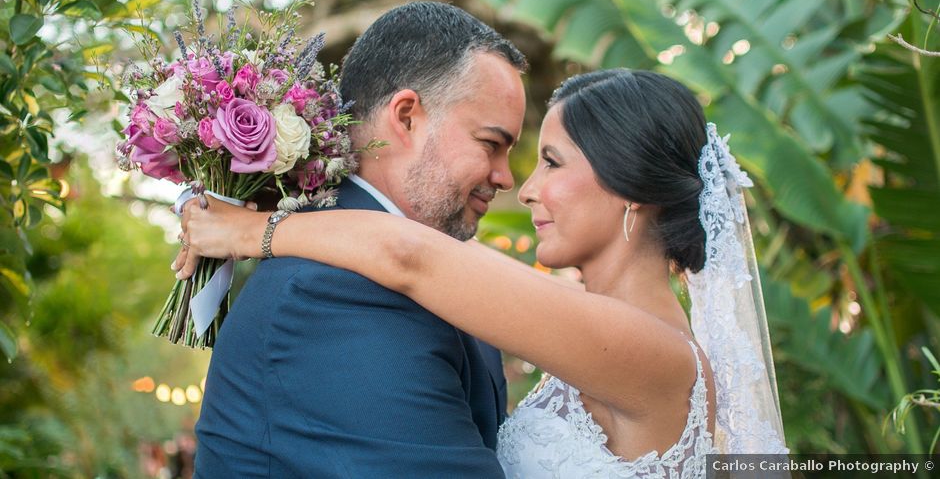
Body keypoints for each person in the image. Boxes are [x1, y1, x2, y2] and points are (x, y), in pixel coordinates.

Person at [178, 69, 789, 477]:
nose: (525, 189)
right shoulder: (607, 341)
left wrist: (248, 232)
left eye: (551, 162)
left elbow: (409, 256)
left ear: (630, 185)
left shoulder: (657, 353)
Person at [190, 1, 529, 478]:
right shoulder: (328, 293)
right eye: (491, 144)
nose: (506, 177)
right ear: (407, 116)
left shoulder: (437, 267)